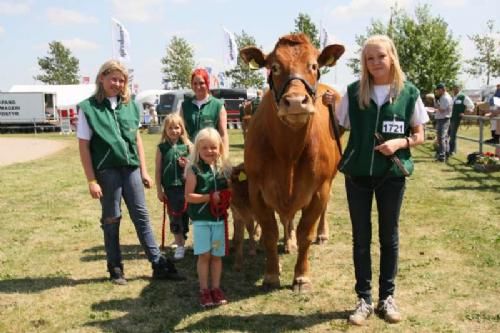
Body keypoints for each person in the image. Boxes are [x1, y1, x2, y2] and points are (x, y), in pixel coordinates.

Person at [323, 35, 429, 325]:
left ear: (391, 56)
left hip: (391, 175)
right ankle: (364, 299)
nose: (375, 63)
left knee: (389, 236)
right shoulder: (354, 91)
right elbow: (338, 129)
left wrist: (399, 143)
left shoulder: (409, 93)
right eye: (369, 58)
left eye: (380, 56)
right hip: (358, 174)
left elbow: (421, 136)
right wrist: (331, 106)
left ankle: (387, 298)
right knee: (361, 238)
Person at [77, 60, 184, 285]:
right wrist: (91, 180)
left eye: (121, 80)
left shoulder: (131, 105)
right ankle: (115, 267)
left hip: (131, 168)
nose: (117, 84)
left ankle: (157, 263)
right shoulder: (88, 108)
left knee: (141, 216)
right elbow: (84, 147)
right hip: (107, 171)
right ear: (101, 79)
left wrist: (144, 171)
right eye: (113, 79)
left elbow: (136, 139)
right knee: (111, 218)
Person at [184, 127, 232, 308]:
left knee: (217, 255)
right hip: (202, 221)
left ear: (220, 147)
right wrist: (209, 197)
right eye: (205, 148)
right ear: (198, 149)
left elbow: (232, 187)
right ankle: (204, 290)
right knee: (204, 255)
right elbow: (188, 196)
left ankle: (216, 288)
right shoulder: (194, 170)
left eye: (213, 147)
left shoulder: (224, 169)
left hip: (219, 222)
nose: (210, 151)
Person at [155, 113, 192, 260]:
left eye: (177, 127)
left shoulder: (188, 146)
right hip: (171, 189)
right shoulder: (162, 148)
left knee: (188, 215)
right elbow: (158, 170)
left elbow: (196, 166)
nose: (173, 131)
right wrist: (159, 189)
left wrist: (187, 164)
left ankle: (186, 238)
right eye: (170, 128)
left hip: (187, 187)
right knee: (175, 217)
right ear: (165, 130)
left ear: (182, 129)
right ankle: (180, 245)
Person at [180, 68, 229, 154]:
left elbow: (223, 134)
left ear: (207, 84)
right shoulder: (184, 106)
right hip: (189, 153)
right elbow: (181, 131)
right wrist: (189, 145)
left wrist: (224, 157)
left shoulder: (218, 105)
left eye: (201, 83)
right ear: (191, 85)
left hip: (211, 153)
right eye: (195, 83)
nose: (198, 86)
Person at [448, 83, 474, 155]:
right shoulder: (452, 97)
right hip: (449, 117)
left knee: (453, 134)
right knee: (449, 134)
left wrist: (465, 113)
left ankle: (451, 151)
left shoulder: (463, 96)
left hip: (456, 118)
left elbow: (471, 106)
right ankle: (450, 149)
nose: (454, 89)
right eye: (454, 88)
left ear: (459, 88)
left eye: (456, 87)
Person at [433, 83, 453, 161]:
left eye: (437, 90)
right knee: (444, 138)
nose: (436, 92)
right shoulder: (443, 97)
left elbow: (442, 109)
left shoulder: (445, 98)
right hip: (443, 118)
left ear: (441, 89)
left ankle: (442, 155)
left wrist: (436, 105)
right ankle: (446, 153)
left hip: (443, 119)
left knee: (441, 137)